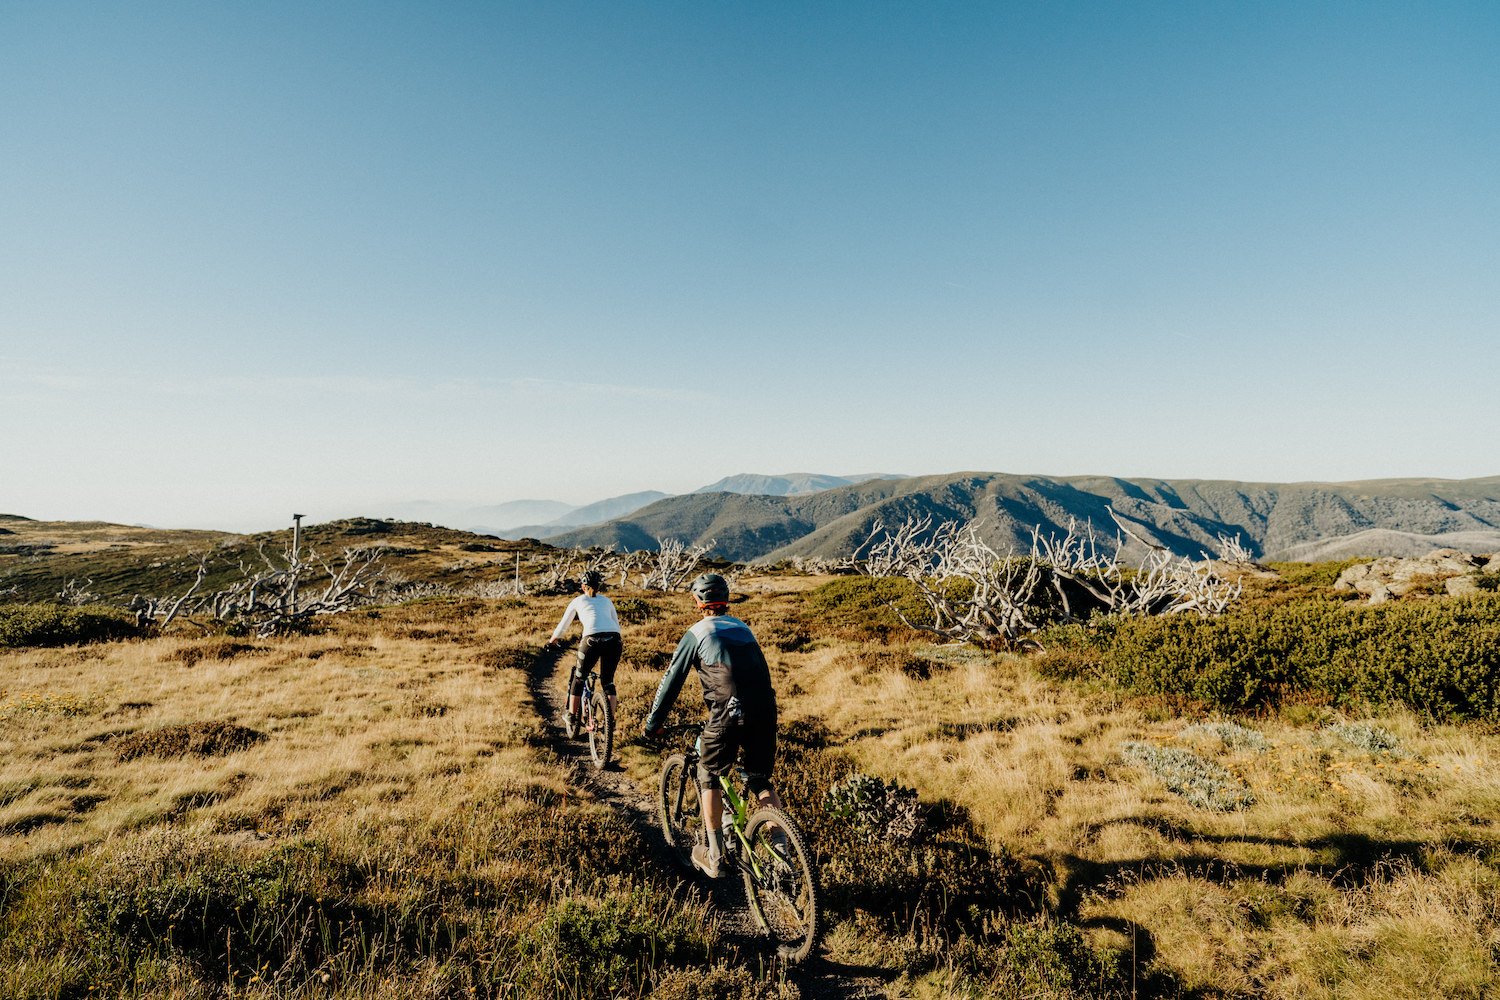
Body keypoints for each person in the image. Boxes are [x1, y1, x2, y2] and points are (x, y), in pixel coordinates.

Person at [643, 572, 784, 878]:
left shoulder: (697, 632)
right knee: (760, 781)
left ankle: (716, 855)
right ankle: (784, 852)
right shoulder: (744, 628)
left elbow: (671, 683)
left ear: (698, 602)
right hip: (766, 709)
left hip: (728, 712)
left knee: (708, 774)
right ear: (726, 599)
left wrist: (653, 723)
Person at [547, 569, 622, 734]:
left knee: (579, 678)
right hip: (614, 640)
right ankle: (611, 722)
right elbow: (616, 624)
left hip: (591, 641)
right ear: (599, 586)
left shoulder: (577, 601)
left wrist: (553, 641)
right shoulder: (607, 601)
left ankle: (572, 715)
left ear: (583, 586)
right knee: (608, 682)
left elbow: (563, 625)